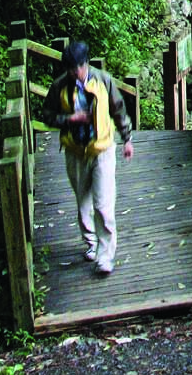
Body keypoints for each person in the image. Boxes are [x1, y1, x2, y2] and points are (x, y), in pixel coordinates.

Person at [45, 41, 134, 276]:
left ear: (86, 64)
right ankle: (91, 243)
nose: (76, 72)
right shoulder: (59, 87)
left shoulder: (103, 80)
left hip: (102, 148)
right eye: (72, 69)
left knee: (103, 205)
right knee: (83, 201)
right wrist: (69, 119)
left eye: (79, 67)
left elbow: (118, 108)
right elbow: (47, 116)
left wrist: (127, 139)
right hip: (75, 151)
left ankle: (106, 256)